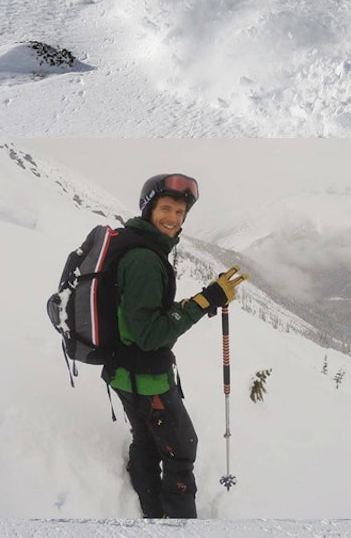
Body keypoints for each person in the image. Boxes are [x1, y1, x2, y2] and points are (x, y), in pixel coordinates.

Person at [105, 173, 248, 519]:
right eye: (166, 208)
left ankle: (151, 511)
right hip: (145, 378)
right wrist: (204, 302)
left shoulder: (139, 244)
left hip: (123, 372)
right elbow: (151, 335)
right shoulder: (143, 259)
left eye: (180, 213)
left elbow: (140, 314)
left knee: (145, 440)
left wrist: (200, 300)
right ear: (149, 208)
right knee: (181, 454)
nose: (173, 218)